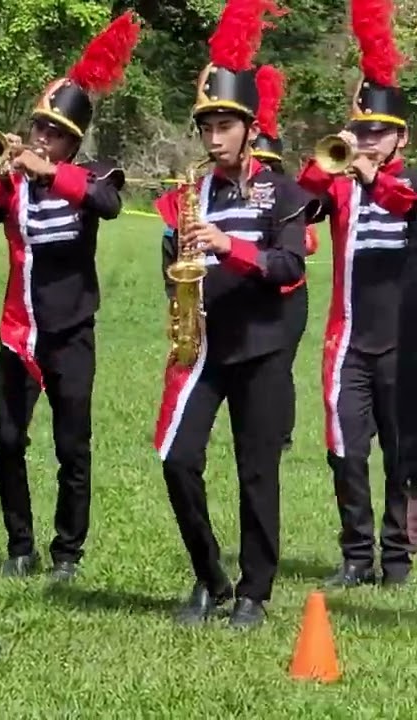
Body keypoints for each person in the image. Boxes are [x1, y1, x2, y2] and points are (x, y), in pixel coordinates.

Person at [0, 12, 140, 582]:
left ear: (73, 141)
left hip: (70, 331)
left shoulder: (93, 175)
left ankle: (68, 553)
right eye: (38, 127)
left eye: (54, 132)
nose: (41, 138)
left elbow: (107, 205)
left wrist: (49, 172)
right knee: (8, 440)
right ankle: (20, 544)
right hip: (17, 331)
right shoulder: (14, 179)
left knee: (72, 447)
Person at [153, 0, 305, 630]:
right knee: (177, 459)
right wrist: (180, 265)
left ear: (248, 127)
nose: (213, 136)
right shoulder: (191, 193)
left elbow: (289, 267)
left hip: (263, 346)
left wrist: (229, 247)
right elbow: (172, 264)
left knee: (255, 472)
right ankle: (210, 576)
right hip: (206, 345)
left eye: (224, 124)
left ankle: (254, 593)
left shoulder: (283, 190)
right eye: (206, 125)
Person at [297, 0, 416, 588]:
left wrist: (377, 178)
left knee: (400, 453)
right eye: (361, 131)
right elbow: (302, 198)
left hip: (403, 343)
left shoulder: (409, 181)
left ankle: (397, 558)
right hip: (348, 344)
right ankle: (354, 555)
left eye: (378, 133)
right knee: (345, 449)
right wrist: (337, 154)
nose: (367, 141)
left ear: (400, 137)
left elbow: (408, 203)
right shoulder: (342, 182)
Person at [249, 65, 321, 451]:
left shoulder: (288, 193)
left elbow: (310, 242)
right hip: (256, 288)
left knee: (282, 366)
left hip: (291, 294)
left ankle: (283, 435)